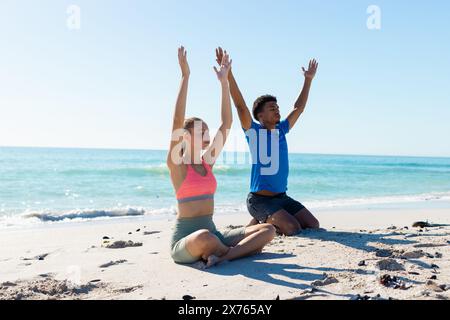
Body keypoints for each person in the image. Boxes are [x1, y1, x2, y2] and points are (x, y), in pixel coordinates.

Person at [167, 47, 276, 267]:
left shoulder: (207, 163)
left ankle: (224, 255)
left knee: (268, 229)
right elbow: (178, 119)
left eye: (207, 131)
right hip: (187, 241)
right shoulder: (177, 165)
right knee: (204, 237)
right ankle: (233, 251)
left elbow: (226, 123)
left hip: (215, 233)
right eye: (201, 131)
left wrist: (224, 82)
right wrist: (185, 76)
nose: (208, 135)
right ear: (185, 137)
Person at [215, 47, 320, 236]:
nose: (277, 110)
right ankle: (255, 224)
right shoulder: (253, 132)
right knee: (292, 228)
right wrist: (228, 75)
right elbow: (240, 106)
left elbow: (299, 108)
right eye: (272, 108)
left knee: (313, 225)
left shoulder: (281, 130)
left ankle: (259, 221)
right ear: (260, 115)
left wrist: (308, 80)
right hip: (259, 201)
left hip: (282, 199)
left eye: (278, 107)